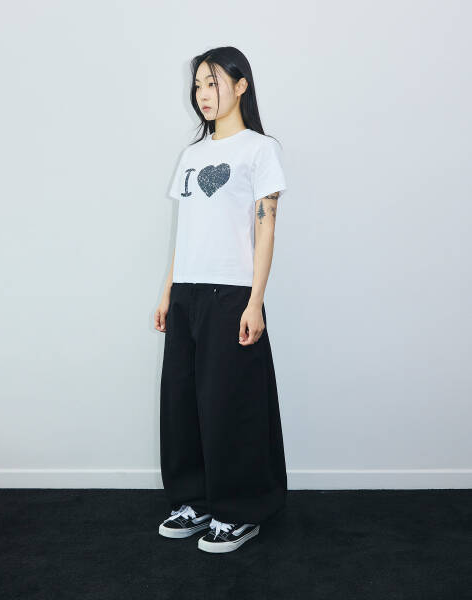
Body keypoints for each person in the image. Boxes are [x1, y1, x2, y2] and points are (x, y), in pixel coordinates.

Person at [154, 46, 288, 553]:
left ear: (240, 85)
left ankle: (240, 511)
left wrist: (255, 301)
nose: (203, 95)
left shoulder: (259, 149)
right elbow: (185, 230)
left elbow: (266, 226)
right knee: (183, 403)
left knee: (231, 405)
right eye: (198, 86)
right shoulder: (192, 156)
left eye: (212, 83)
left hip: (231, 294)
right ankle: (194, 501)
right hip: (187, 294)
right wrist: (168, 292)